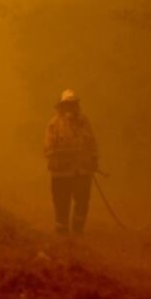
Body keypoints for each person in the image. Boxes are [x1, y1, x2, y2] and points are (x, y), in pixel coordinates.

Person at [43, 89, 99, 235]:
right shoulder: (53, 125)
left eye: (72, 104)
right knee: (61, 203)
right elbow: (47, 148)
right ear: (61, 106)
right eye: (67, 104)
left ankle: (78, 231)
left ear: (76, 105)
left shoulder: (84, 122)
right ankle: (62, 233)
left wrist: (94, 159)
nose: (70, 107)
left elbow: (92, 142)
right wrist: (58, 157)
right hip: (61, 173)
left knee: (82, 202)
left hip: (82, 171)